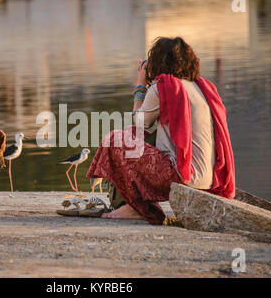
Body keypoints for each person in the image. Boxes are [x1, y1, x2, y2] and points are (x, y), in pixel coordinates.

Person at [86, 37, 235, 225]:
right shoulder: (200, 87)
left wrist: (140, 85)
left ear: (157, 63)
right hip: (211, 180)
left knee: (116, 139)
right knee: (136, 137)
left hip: (182, 177)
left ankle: (136, 208)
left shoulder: (162, 87)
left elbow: (140, 122)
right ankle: (132, 204)